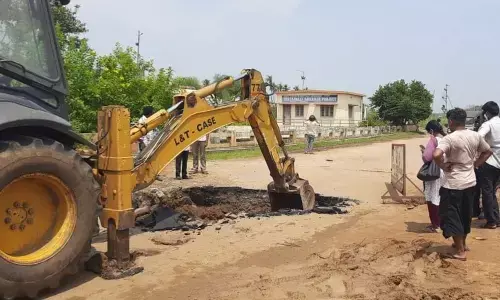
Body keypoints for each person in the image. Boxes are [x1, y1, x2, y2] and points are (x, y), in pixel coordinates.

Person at [433, 108, 492, 261]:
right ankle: (463, 244)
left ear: (451, 121)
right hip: (470, 182)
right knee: (466, 214)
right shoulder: (475, 136)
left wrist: (443, 166)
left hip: (453, 184)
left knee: (452, 216)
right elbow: (487, 151)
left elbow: (436, 154)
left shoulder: (450, 138)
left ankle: (460, 251)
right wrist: (475, 165)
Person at [477, 101, 500, 229]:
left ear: (487, 113)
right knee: (492, 192)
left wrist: (485, 148)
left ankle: (491, 221)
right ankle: (496, 218)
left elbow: (478, 138)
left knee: (487, 193)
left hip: (490, 162)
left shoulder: (488, 124)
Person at [421, 120, 445, 233]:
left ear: (431, 130)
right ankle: (442, 222)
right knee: (441, 197)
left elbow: (427, 157)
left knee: (432, 197)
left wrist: (423, 152)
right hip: (444, 171)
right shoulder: (446, 139)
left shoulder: (433, 140)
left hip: (434, 172)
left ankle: (435, 224)